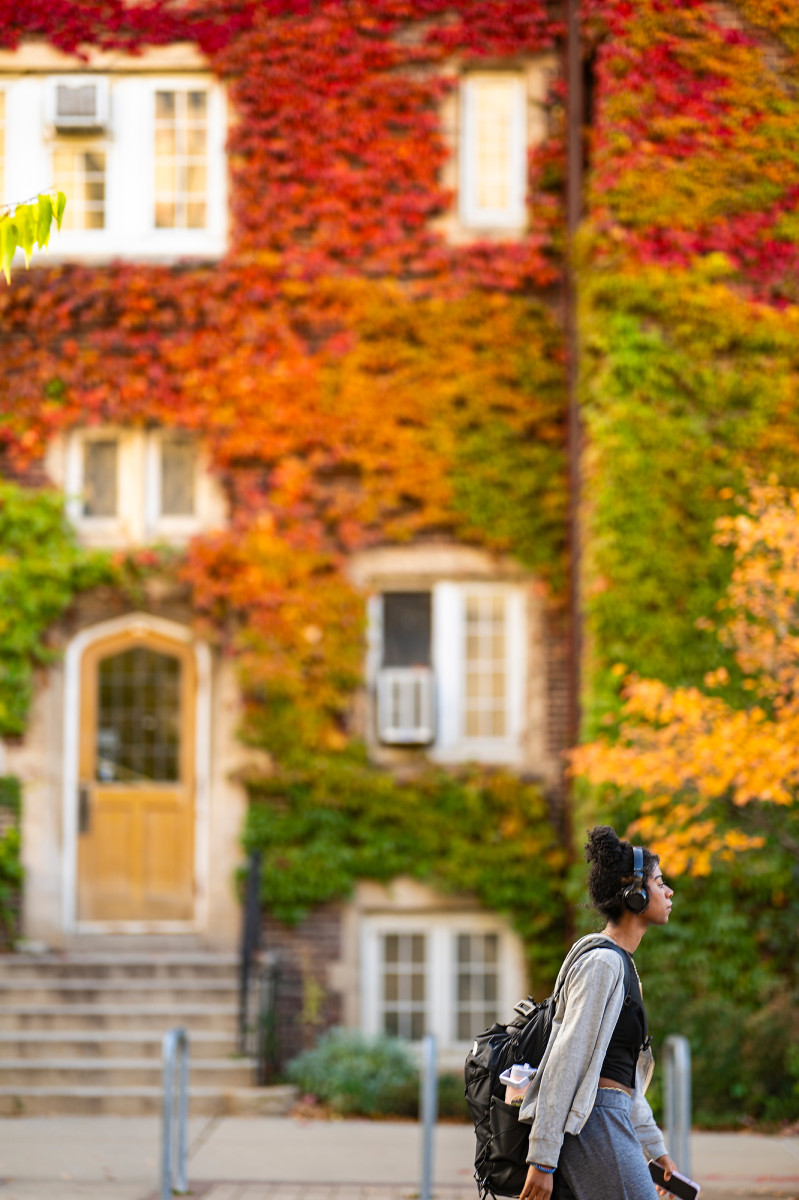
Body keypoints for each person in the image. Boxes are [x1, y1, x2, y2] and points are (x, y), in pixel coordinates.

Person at [518, 826, 678, 1200]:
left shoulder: (622, 966)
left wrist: (655, 1149)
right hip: (594, 1121)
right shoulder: (603, 964)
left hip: (611, 1115)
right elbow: (566, 1058)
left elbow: (625, 1077)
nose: (669, 891)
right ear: (634, 894)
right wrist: (542, 1158)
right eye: (658, 882)